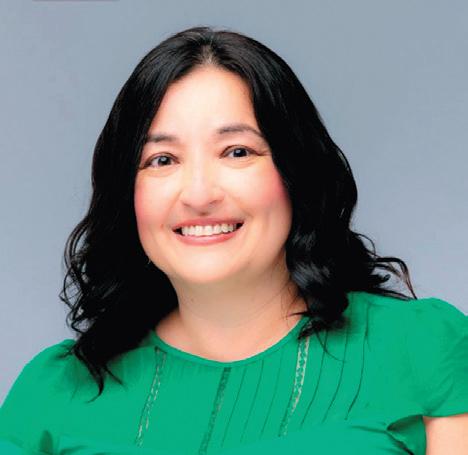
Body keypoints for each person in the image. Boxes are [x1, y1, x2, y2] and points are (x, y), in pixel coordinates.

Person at [0, 26, 467, 455]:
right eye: (162, 159)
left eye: (237, 151)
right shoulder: (52, 393)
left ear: (296, 172)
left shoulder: (422, 346)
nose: (199, 194)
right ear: (127, 193)